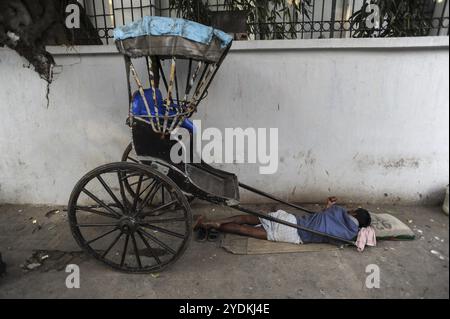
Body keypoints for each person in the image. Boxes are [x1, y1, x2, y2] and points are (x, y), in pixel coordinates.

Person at [193, 197, 372, 244]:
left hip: (291, 220)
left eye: (353, 210)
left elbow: (325, 217)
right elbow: (328, 228)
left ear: (355, 214)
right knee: (246, 230)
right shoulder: (349, 234)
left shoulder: (338, 211)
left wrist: (329, 206)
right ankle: (213, 225)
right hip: (293, 236)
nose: (350, 209)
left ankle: (214, 222)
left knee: (247, 218)